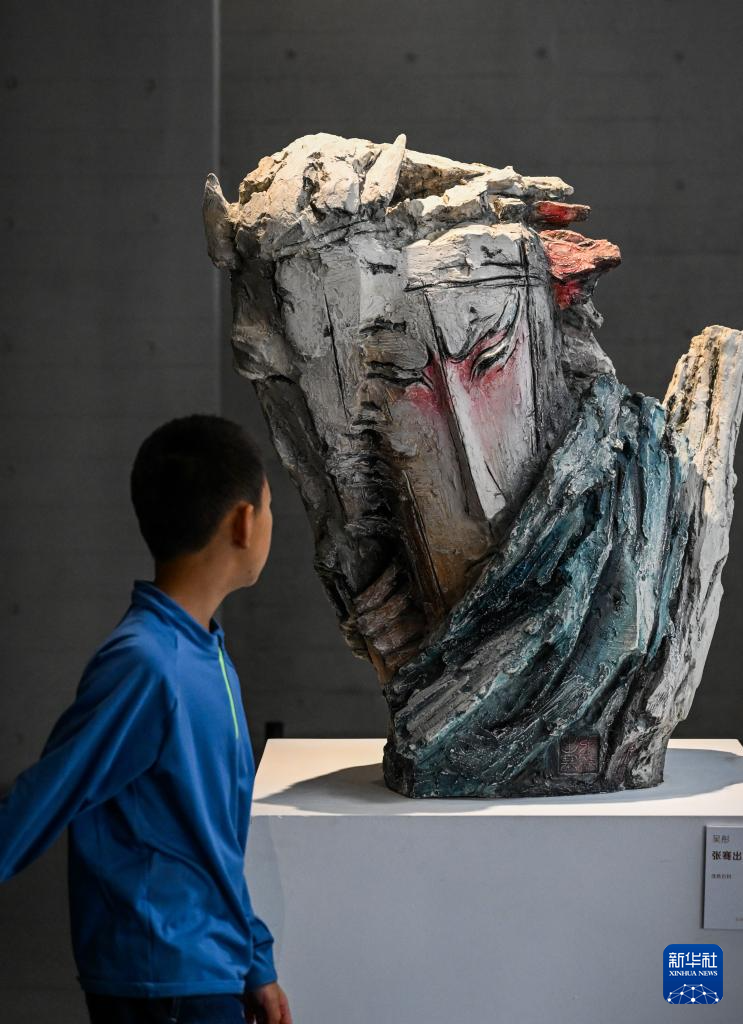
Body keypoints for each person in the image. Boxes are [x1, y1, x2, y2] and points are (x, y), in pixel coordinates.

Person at [0, 413, 293, 1024]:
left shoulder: (207, 652)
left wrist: (254, 961)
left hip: (208, 972)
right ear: (244, 522)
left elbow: (212, 839)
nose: (272, 521)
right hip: (162, 985)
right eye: (270, 507)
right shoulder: (146, 664)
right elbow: (43, 798)